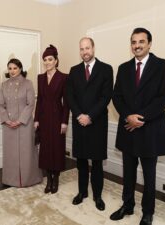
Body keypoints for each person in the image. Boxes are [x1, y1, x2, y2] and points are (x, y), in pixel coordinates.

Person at [110, 28, 165, 225]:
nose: (136, 45)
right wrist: (128, 116)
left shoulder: (163, 66)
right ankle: (127, 205)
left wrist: (141, 118)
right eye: (133, 42)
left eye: (141, 42)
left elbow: (164, 97)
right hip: (128, 129)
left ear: (149, 43)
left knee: (149, 175)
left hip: (150, 130)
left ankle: (148, 212)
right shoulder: (123, 68)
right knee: (128, 173)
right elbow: (117, 96)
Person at [66, 37, 113, 211]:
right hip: (79, 123)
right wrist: (79, 115)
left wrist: (90, 116)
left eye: (87, 48)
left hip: (97, 122)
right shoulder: (74, 70)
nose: (84, 52)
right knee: (81, 161)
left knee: (97, 162)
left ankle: (97, 196)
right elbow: (70, 95)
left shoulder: (106, 69)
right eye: (81, 49)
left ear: (93, 48)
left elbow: (106, 96)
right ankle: (82, 192)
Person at [0, 58, 42, 187]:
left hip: (25, 124)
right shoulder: (4, 85)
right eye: (10, 68)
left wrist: (20, 120)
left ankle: (30, 179)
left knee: (27, 152)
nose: (12, 71)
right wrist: (6, 120)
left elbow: (31, 104)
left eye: (15, 68)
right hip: (8, 125)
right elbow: (1, 105)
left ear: (20, 69)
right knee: (10, 153)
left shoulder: (28, 83)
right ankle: (10, 180)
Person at [34, 44, 69, 194]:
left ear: (56, 60)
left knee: (57, 149)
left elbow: (66, 102)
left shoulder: (64, 77)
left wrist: (64, 121)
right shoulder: (40, 78)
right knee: (46, 150)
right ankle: (48, 180)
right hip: (43, 118)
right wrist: (36, 119)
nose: (47, 62)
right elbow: (40, 100)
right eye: (45, 60)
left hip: (57, 117)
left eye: (50, 59)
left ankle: (56, 179)